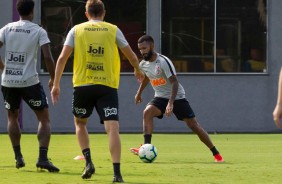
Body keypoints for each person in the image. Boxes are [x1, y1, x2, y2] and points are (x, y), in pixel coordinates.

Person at [51, 0, 144, 182]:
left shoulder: (76, 30)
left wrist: (56, 84)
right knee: (113, 129)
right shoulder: (112, 29)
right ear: (104, 12)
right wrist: (137, 69)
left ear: (86, 14)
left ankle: (88, 162)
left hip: (82, 86)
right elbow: (131, 55)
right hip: (107, 86)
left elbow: (62, 58)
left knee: (80, 124)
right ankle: (117, 174)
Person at [130, 35, 224, 163]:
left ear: (152, 46)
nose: (142, 51)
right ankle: (146, 147)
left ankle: (216, 153)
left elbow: (175, 83)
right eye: (140, 49)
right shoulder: (143, 64)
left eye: (144, 48)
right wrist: (139, 92)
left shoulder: (163, 61)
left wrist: (170, 103)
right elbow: (147, 77)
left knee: (193, 125)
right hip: (160, 97)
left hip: (177, 97)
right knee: (147, 112)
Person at [0, 0, 59, 172]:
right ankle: (42, 158)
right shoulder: (38, 31)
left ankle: (18, 156)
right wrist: (53, 78)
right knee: (44, 119)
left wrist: (3, 67)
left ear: (18, 11)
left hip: (9, 81)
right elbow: (48, 57)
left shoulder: (7, 28)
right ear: (32, 12)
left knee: (12, 117)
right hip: (29, 82)